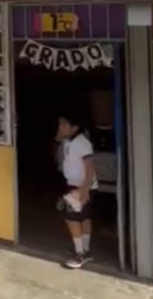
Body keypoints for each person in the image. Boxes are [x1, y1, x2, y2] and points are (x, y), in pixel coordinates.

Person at [55, 109, 97, 269]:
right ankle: (85, 250)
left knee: (71, 219)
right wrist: (61, 132)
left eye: (64, 124)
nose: (60, 127)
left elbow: (90, 167)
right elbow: (57, 138)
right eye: (60, 124)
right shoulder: (68, 141)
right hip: (74, 184)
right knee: (84, 218)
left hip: (82, 187)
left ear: (75, 127)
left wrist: (85, 190)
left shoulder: (82, 143)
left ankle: (80, 253)